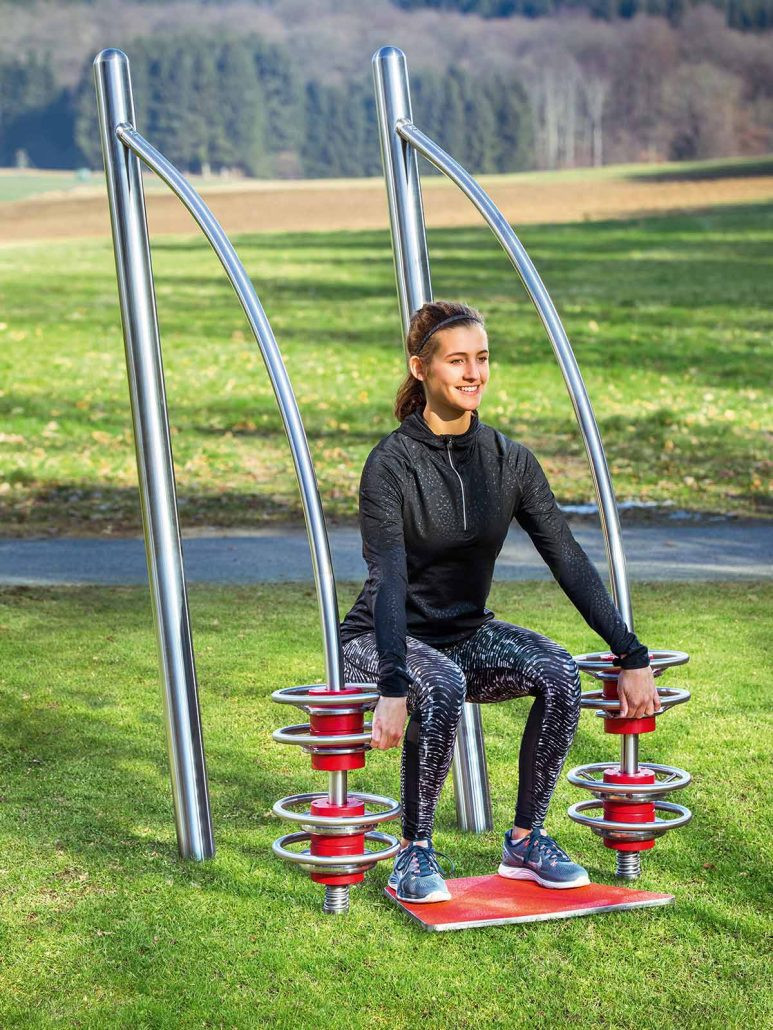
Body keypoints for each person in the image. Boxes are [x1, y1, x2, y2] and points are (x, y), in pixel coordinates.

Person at [339, 300, 660, 903]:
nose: (473, 373)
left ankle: (526, 839)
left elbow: (567, 558)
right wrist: (390, 686)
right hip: (376, 639)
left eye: (482, 359)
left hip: (463, 633)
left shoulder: (510, 460)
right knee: (440, 683)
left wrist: (630, 652)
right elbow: (388, 579)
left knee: (559, 671)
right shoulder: (390, 464)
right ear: (420, 368)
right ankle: (414, 851)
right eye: (456, 360)